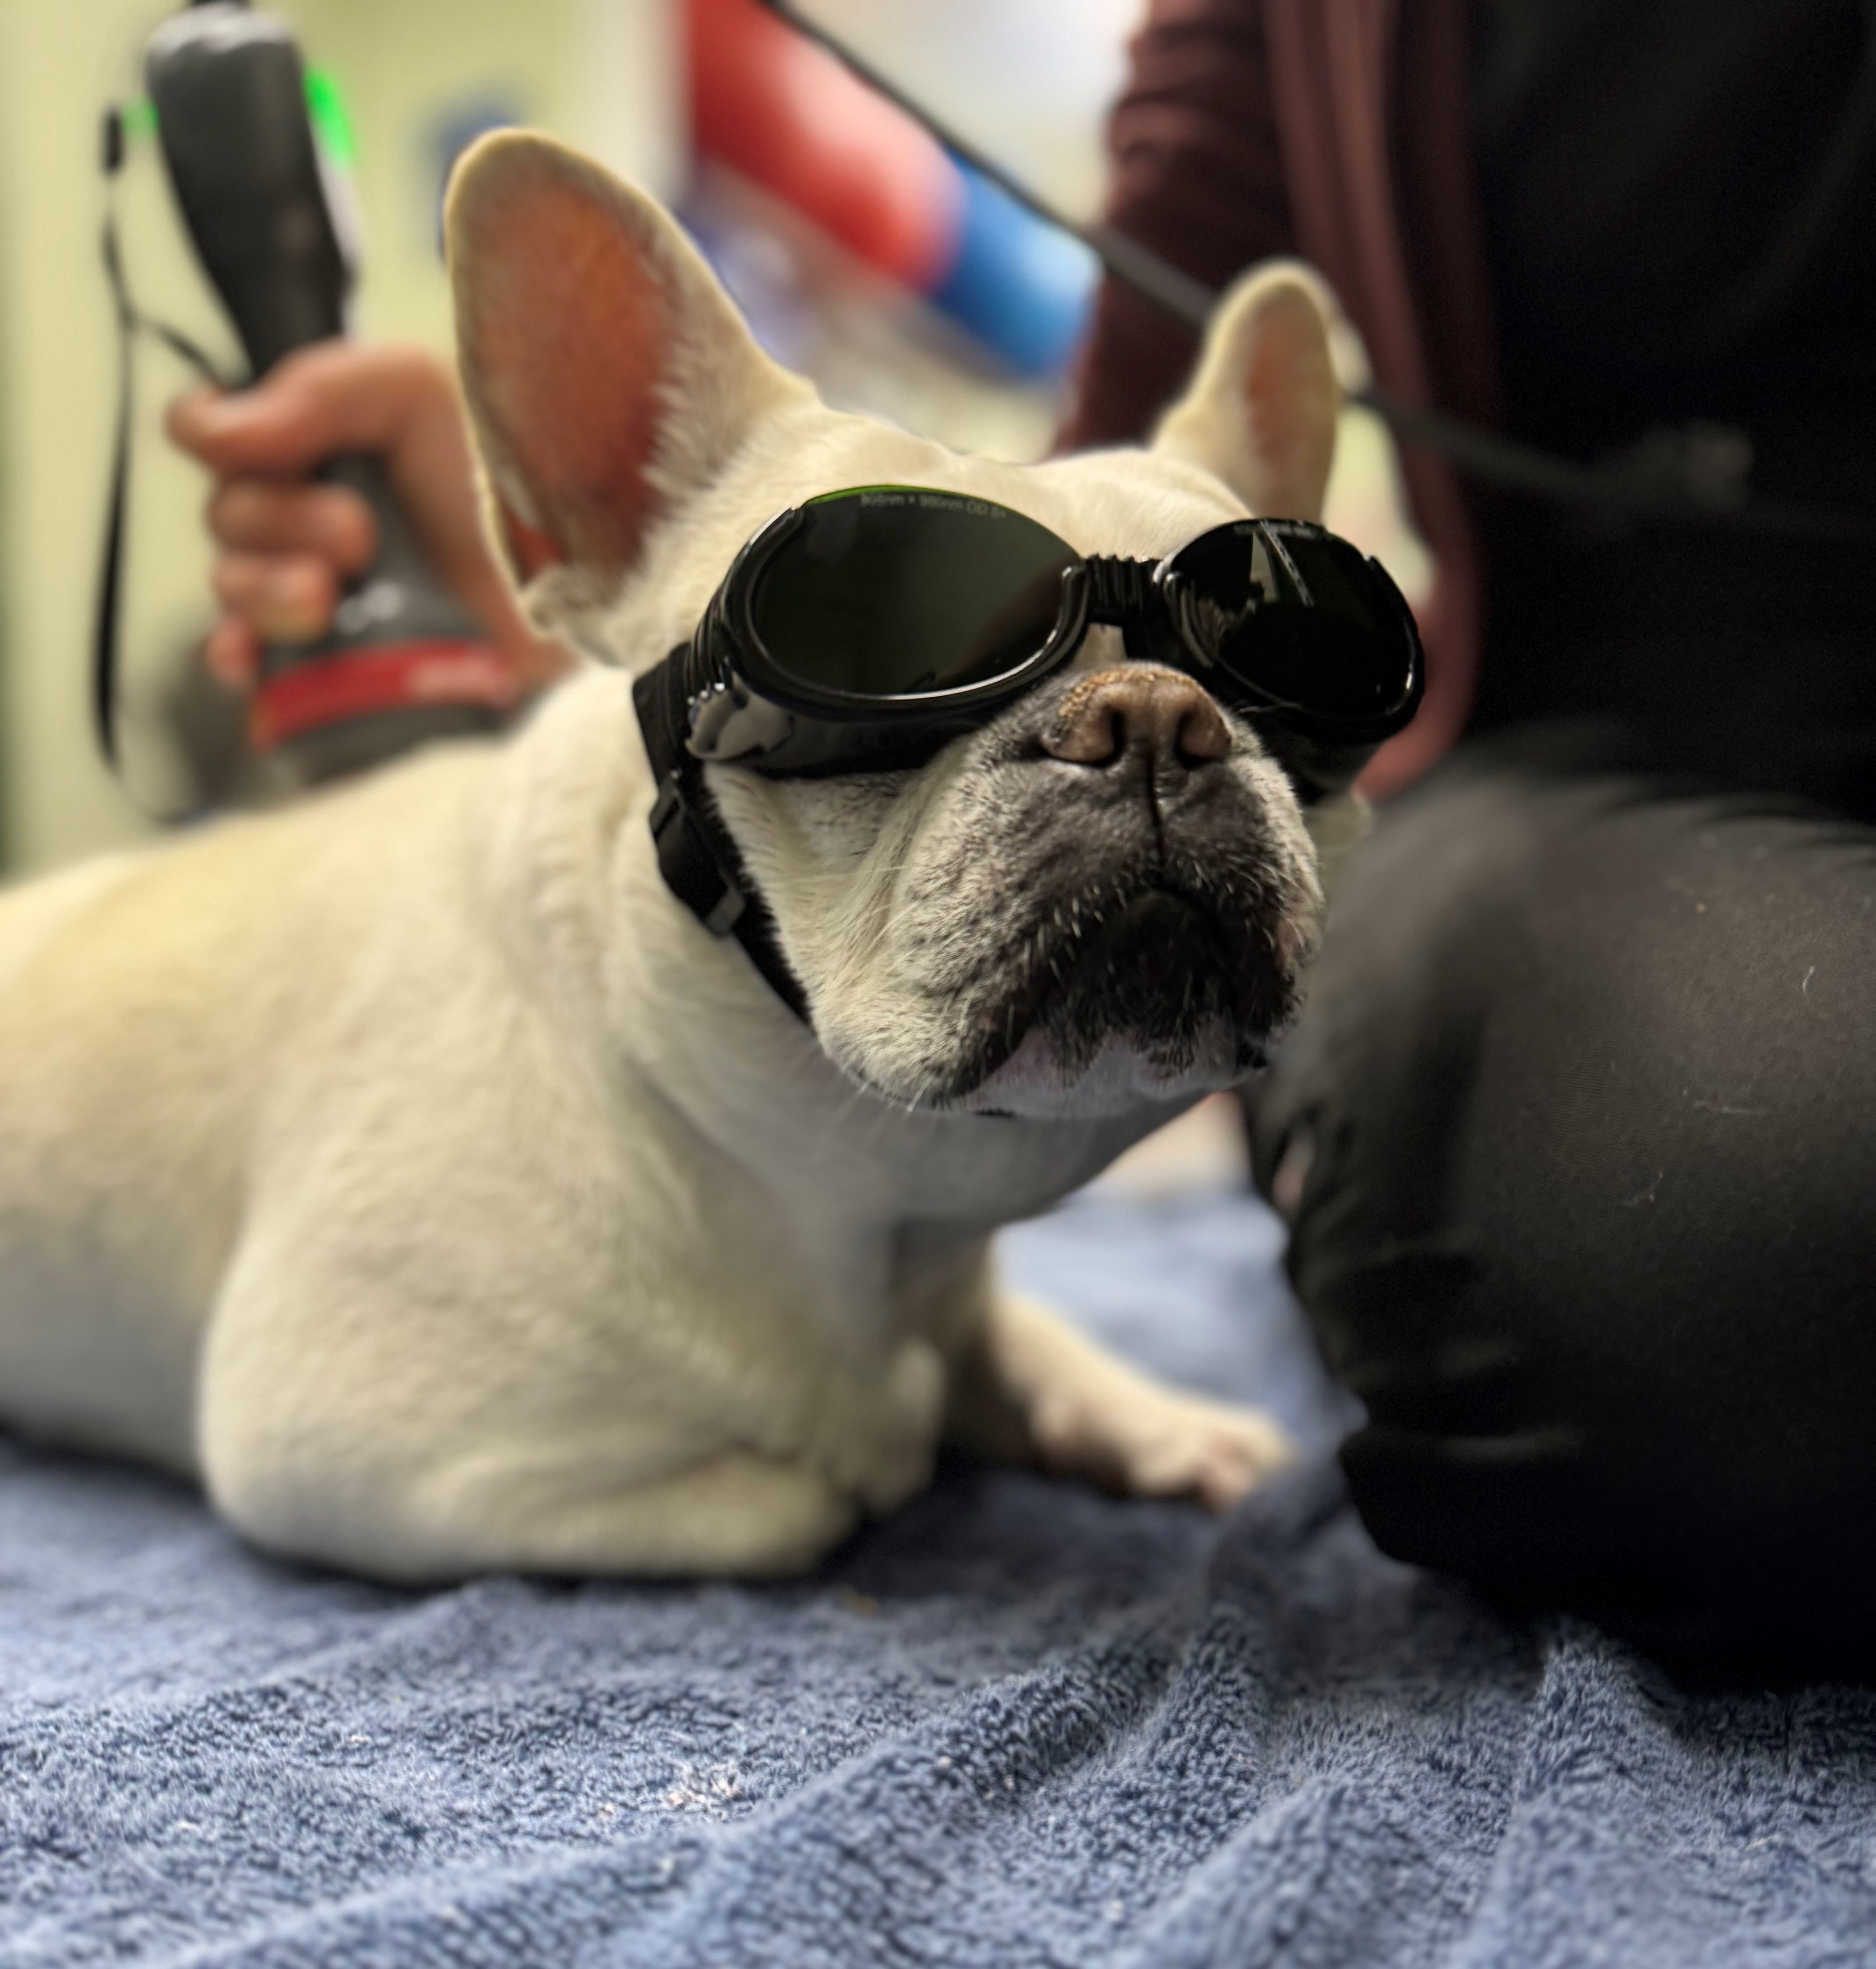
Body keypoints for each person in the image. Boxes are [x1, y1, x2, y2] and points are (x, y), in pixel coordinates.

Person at [170, 0, 1876, 1676]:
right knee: (1758, 1286)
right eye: (858, 647)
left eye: (1253, 660)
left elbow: (1129, 504)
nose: (1147, 725)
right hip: (1591, 758)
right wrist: (687, 601)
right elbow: (1149, 330)